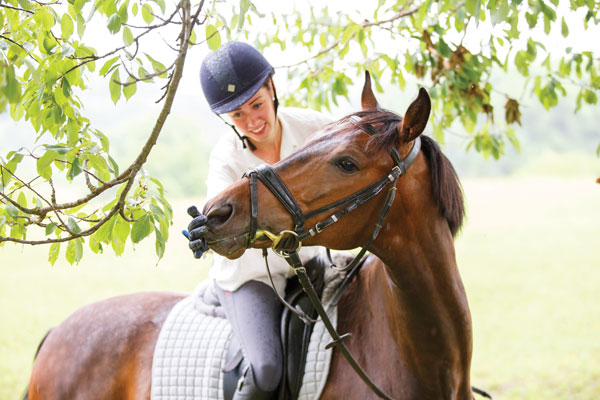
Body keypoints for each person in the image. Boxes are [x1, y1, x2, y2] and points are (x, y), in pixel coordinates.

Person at [187, 41, 333, 399]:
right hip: (250, 276)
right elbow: (214, 207)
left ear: (272, 88)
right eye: (237, 114)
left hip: (313, 264)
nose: (252, 121)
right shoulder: (226, 159)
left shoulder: (315, 129)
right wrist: (204, 232)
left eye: (256, 104)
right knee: (266, 369)